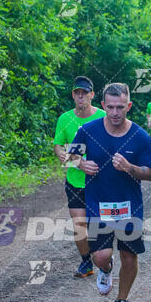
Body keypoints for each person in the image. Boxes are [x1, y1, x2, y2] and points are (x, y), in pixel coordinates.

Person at [69, 82, 151, 302]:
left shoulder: (140, 136)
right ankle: (106, 270)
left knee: (129, 256)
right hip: (99, 205)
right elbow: (70, 157)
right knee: (100, 256)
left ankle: (122, 301)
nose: (115, 113)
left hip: (129, 207)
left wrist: (130, 168)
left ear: (128, 105)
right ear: (103, 106)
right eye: (111, 107)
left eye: (120, 107)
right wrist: (81, 164)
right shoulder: (88, 130)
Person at [54, 76, 105, 278]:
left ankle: (103, 255)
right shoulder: (65, 119)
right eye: (77, 92)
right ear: (73, 95)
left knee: (98, 224)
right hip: (75, 180)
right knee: (79, 224)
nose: (81, 95)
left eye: (85, 92)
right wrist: (59, 152)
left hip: (100, 180)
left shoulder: (103, 116)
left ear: (92, 94)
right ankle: (86, 261)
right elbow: (59, 144)